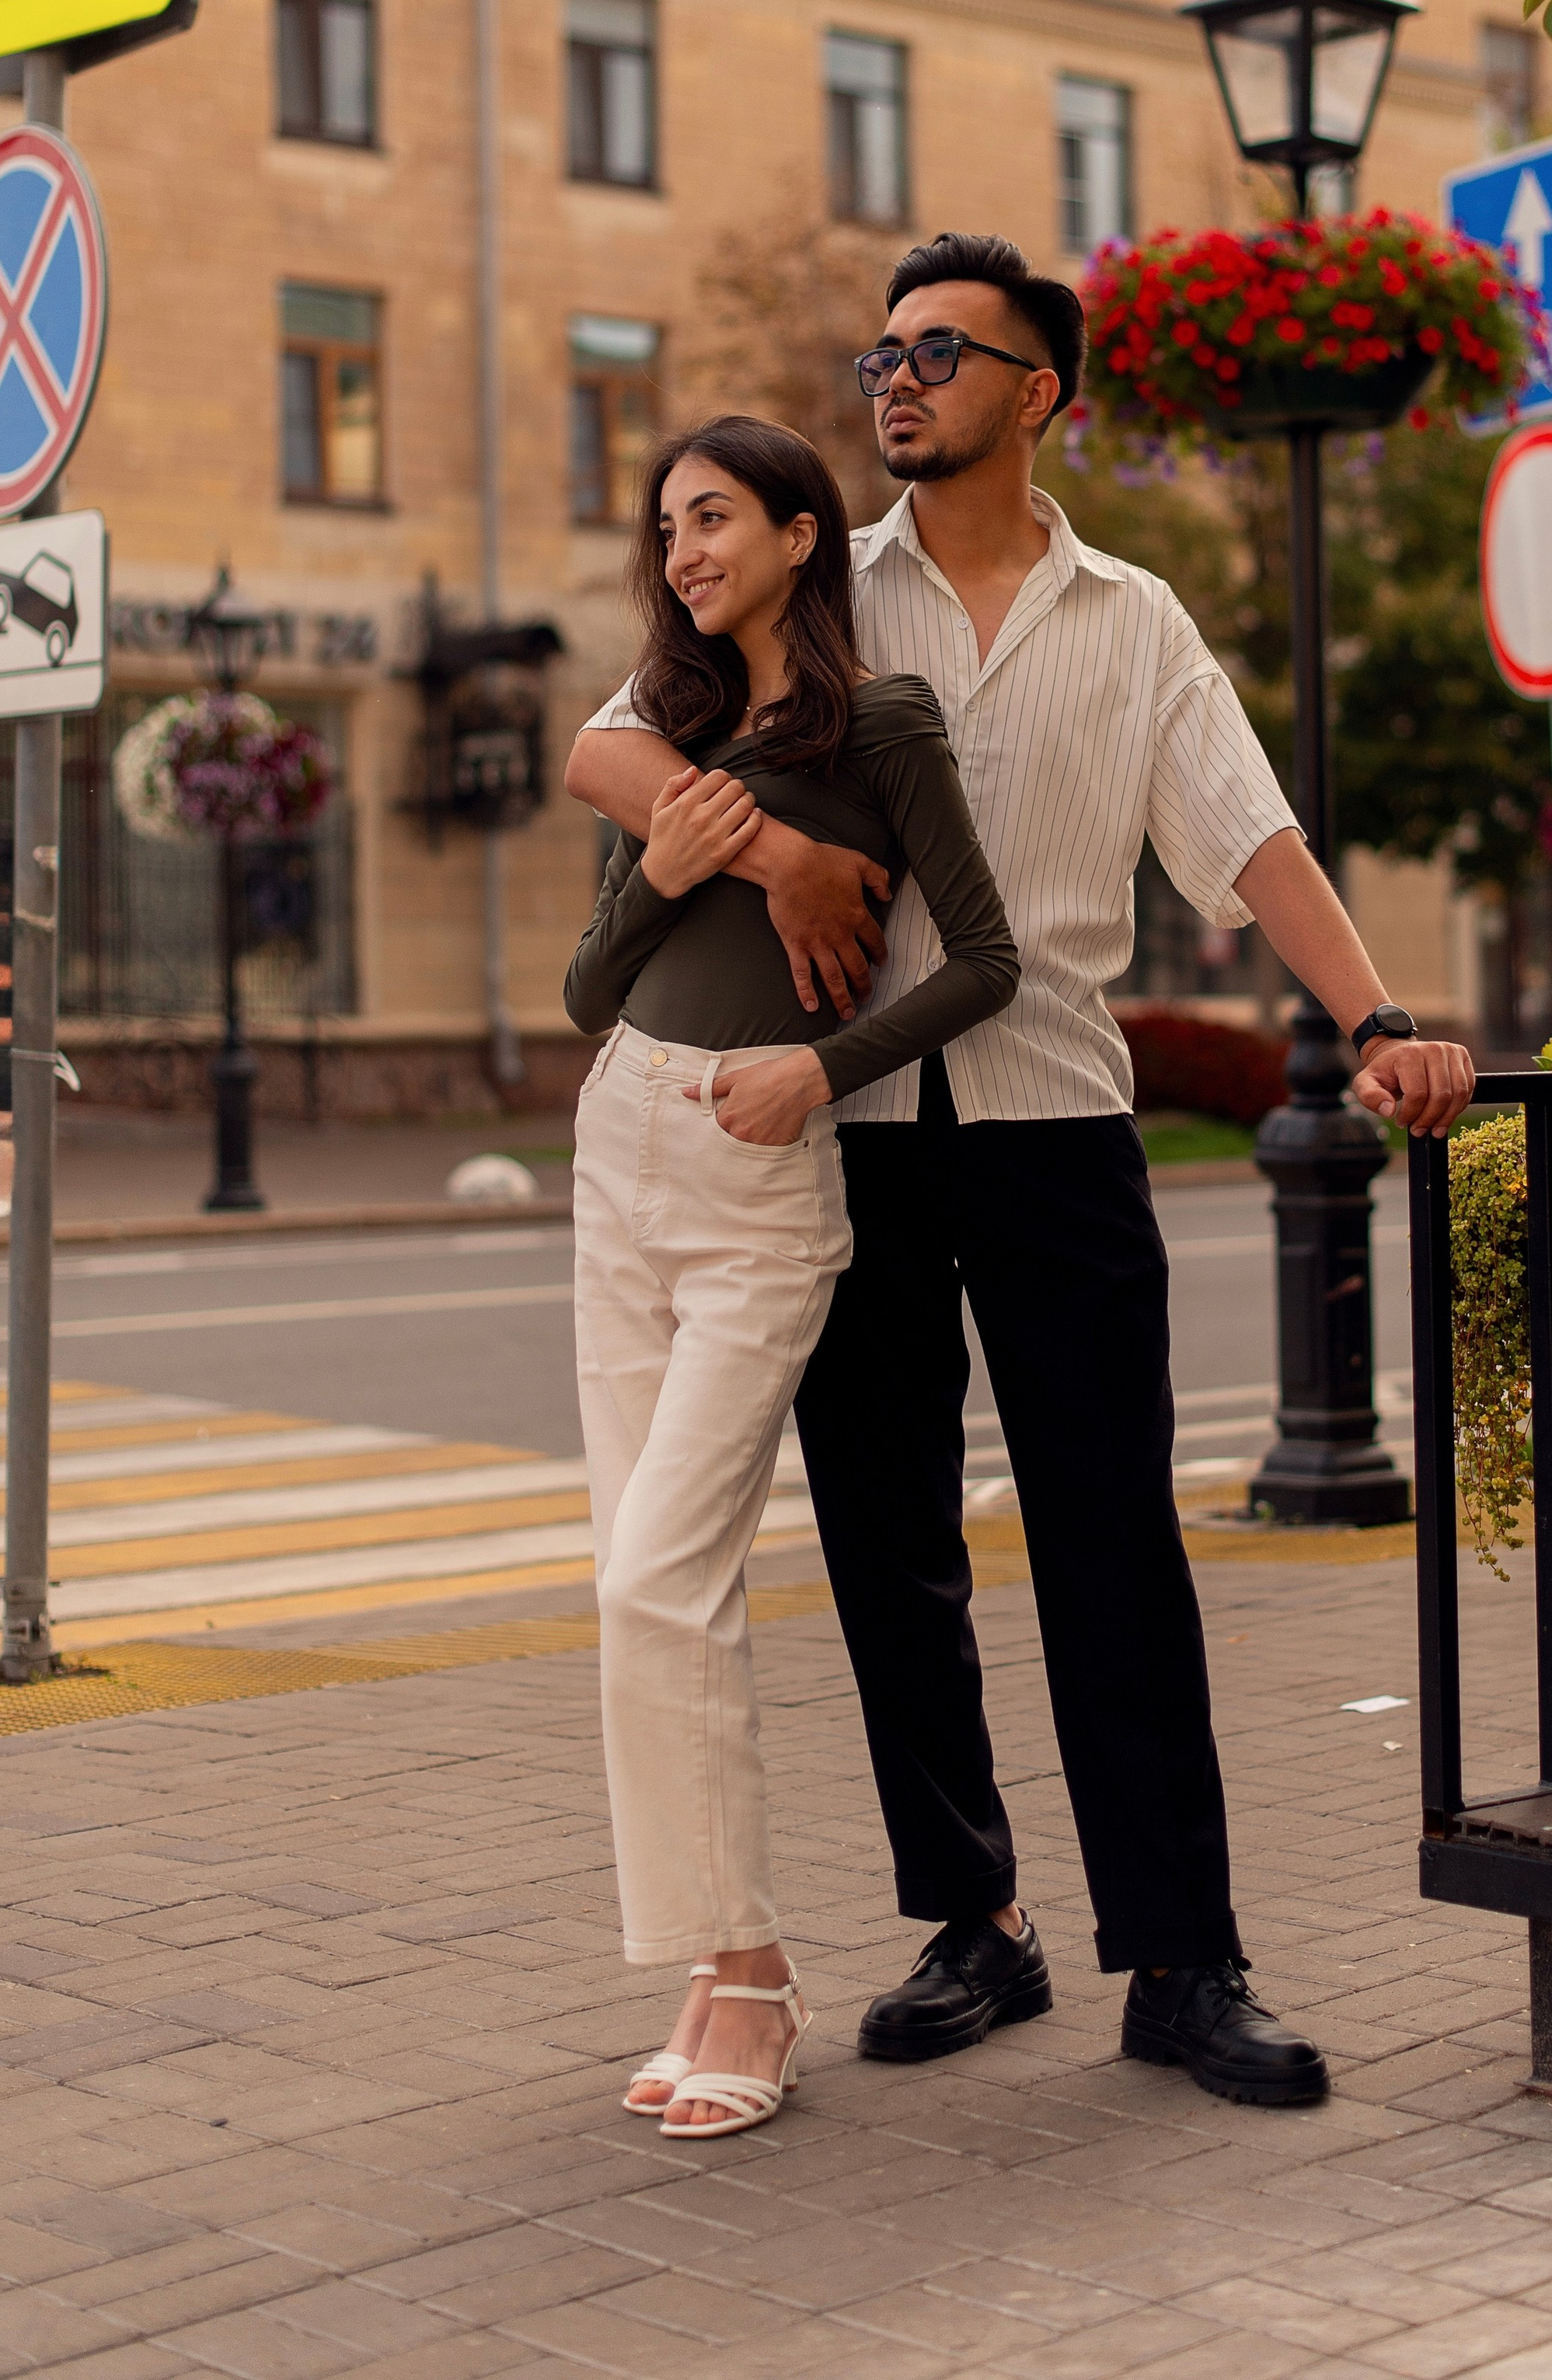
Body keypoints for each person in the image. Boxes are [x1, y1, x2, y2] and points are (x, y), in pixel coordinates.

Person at [567, 235, 1475, 2110]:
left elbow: (1253, 842)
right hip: (846, 1143)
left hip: (1058, 1126)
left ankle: (1182, 1957)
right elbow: (615, 742)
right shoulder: (819, 594)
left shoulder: (1133, 620)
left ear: (1036, 393)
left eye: (938, 354)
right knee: (891, 1555)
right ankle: (969, 1924)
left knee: (1110, 1549)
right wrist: (777, 867)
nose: (892, 379)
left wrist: (1376, 1013)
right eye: (881, 351)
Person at [563, 412, 1017, 2140]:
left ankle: (747, 1974)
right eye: (664, 525)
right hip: (622, 1150)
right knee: (651, 1590)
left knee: (649, 1586)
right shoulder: (662, 732)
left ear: (801, 534)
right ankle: (720, 1960)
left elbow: (984, 959)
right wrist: (688, 863)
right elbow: (586, 992)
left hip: (763, 1180)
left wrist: (822, 1071)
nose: (683, 550)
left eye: (714, 518)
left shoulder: (882, 723)